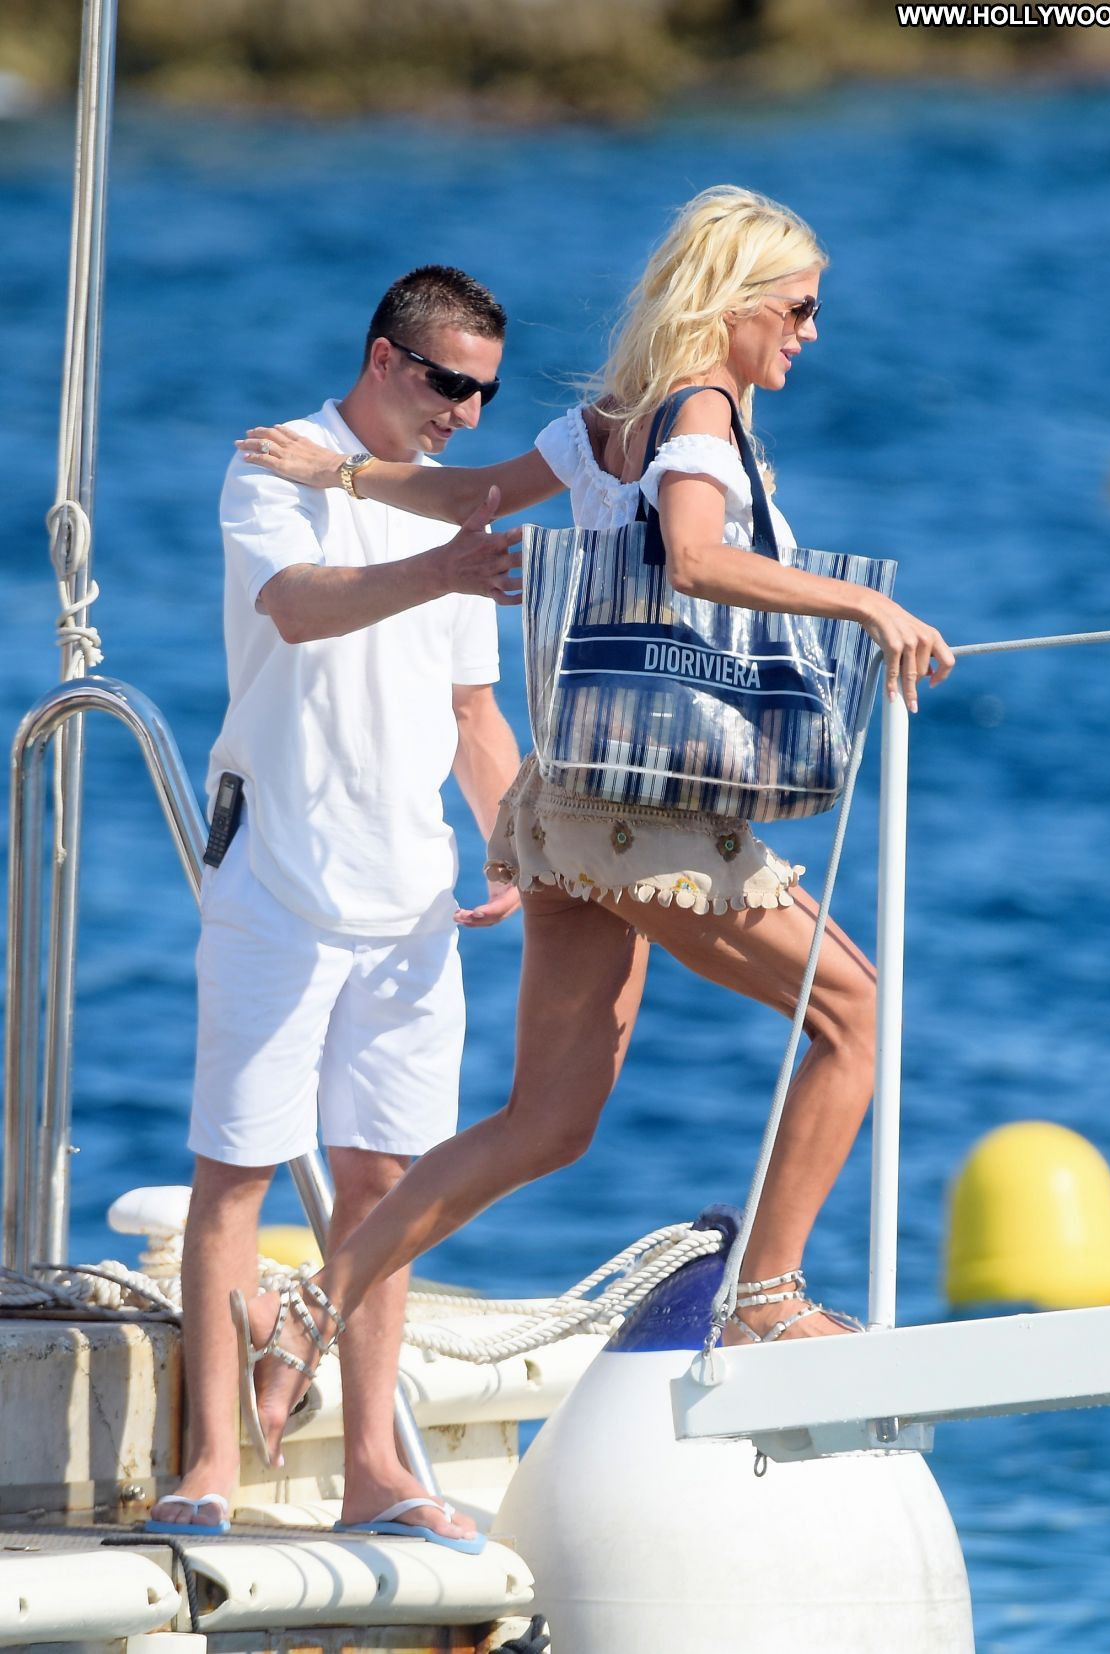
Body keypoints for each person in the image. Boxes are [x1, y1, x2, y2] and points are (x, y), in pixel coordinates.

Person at [232, 186, 955, 1467]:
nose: (808, 333)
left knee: (546, 1122)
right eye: (796, 308)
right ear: (733, 300)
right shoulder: (697, 414)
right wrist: (864, 610)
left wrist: (340, 472)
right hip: (652, 815)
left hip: (570, 799)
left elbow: (470, 499)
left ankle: (309, 1302)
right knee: (856, 1014)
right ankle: (768, 1293)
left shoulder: (613, 416)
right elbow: (695, 558)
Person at [147, 265, 522, 1551]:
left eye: (486, 394)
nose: (467, 415)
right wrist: (443, 564)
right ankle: (208, 1465)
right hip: (278, 873)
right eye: (450, 384)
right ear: (384, 358)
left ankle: (373, 1469)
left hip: (411, 888)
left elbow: (472, 711)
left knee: (385, 1179)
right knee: (236, 1170)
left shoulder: (449, 508)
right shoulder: (275, 462)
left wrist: (515, 842)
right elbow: (300, 609)